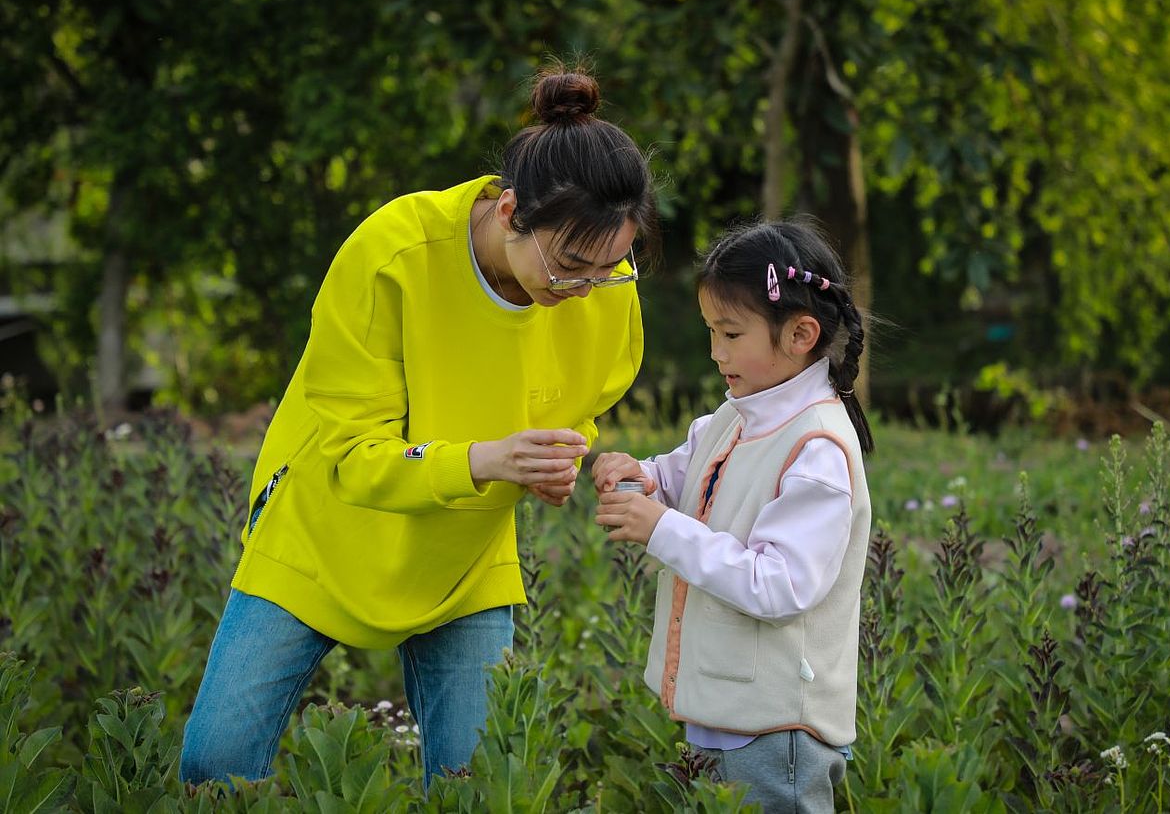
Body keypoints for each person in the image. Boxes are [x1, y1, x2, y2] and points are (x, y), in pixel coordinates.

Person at [180, 64, 657, 792]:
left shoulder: (600, 284)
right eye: (570, 268)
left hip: (465, 555)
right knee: (215, 766)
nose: (586, 290)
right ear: (508, 213)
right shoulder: (393, 253)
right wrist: (487, 458)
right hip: (324, 530)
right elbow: (351, 456)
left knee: (477, 783)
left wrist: (569, 453)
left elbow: (580, 398)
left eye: (609, 269)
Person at [593, 220, 873, 813]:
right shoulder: (739, 413)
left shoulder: (817, 449)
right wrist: (644, 477)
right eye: (711, 332)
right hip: (724, 713)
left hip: (777, 733)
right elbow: (688, 473)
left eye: (731, 333)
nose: (716, 351)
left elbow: (779, 585)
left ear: (801, 334)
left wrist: (660, 528)